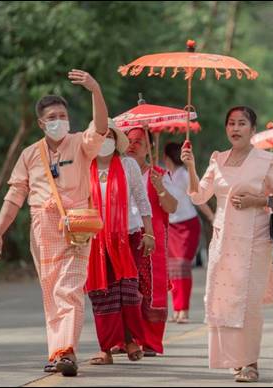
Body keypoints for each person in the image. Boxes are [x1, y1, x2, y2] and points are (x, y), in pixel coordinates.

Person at [0, 70, 108, 376]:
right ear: (42, 123)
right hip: (43, 228)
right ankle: (58, 352)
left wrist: (95, 90)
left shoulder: (81, 143)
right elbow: (15, 196)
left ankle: (67, 351)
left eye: (63, 115)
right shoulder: (30, 155)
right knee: (51, 291)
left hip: (77, 226)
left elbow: (102, 127)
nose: (59, 120)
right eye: (53, 116)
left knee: (69, 288)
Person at [181, 106, 273, 383]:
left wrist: (258, 201)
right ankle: (235, 360)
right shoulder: (217, 159)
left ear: (253, 130)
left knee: (248, 304)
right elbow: (198, 195)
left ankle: (250, 363)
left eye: (242, 123)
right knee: (224, 300)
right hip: (222, 242)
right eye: (231, 123)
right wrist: (191, 167)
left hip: (255, 240)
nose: (236, 128)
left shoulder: (267, 160)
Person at [85, 119, 154, 365]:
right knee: (102, 293)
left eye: (109, 136)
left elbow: (142, 199)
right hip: (93, 240)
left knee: (126, 292)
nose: (105, 141)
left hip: (127, 236)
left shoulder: (127, 165)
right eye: (100, 136)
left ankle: (131, 340)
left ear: (116, 140)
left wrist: (149, 232)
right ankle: (105, 348)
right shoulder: (85, 166)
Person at [124, 127, 177, 357]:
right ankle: (126, 339)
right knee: (127, 289)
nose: (133, 145)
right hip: (125, 238)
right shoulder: (119, 171)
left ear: (149, 148)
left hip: (152, 239)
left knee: (150, 290)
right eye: (129, 141)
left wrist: (160, 188)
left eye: (139, 142)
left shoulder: (160, 174)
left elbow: (172, 208)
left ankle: (151, 341)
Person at [163, 142, 215, 324]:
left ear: (167, 156)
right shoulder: (162, 175)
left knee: (183, 266)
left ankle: (183, 309)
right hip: (170, 225)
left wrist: (211, 216)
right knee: (173, 269)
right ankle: (176, 309)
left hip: (187, 225)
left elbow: (198, 198)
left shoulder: (185, 174)